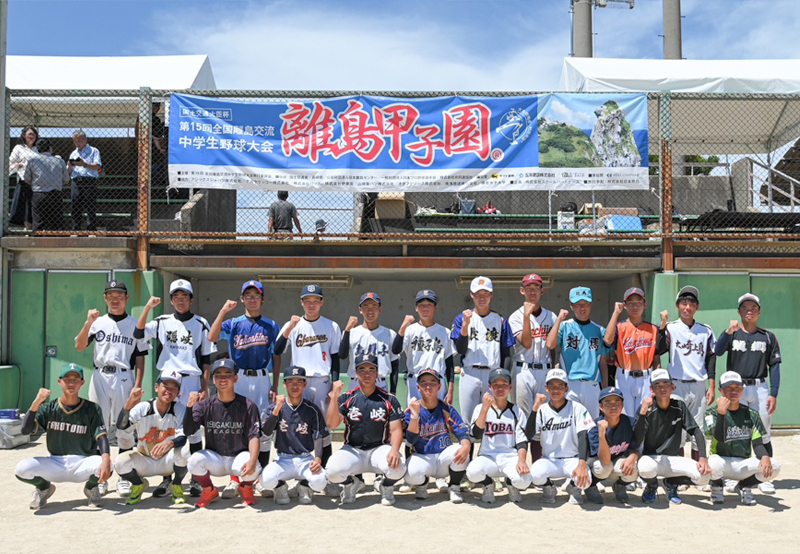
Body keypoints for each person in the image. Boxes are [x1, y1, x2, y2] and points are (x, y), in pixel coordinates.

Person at [134, 279, 217, 497]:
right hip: (168, 382)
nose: (180, 300)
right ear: (171, 300)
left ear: (191, 299)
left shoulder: (201, 323)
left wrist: (205, 386)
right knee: (166, 429)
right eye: (176, 297)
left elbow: (206, 357)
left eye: (185, 296)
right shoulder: (161, 321)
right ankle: (166, 479)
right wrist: (147, 308)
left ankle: (197, 479)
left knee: (194, 429)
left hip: (191, 380)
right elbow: (138, 333)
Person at [74, 279, 150, 496]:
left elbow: (141, 358)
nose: (115, 299)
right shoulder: (97, 323)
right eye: (111, 295)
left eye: (119, 296)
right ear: (105, 298)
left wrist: (137, 384)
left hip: (123, 376)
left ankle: (124, 477)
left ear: (127, 298)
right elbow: (79, 346)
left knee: (124, 427)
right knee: (98, 426)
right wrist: (88, 322)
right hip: (99, 375)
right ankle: (101, 477)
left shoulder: (136, 325)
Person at [208, 280, 281, 498]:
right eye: (247, 295)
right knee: (235, 426)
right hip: (238, 377)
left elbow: (277, 356)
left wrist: (276, 384)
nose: (252, 299)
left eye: (256, 295)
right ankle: (235, 479)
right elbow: (212, 337)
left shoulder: (271, 325)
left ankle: (258, 477)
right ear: (242, 299)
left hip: (261, 377)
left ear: (262, 299)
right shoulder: (234, 323)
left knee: (264, 427)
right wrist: (223, 311)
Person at [15, 364, 111, 510]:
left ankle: (91, 488)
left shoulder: (92, 408)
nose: (71, 383)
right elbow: (25, 430)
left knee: (109, 464)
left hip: (82, 463)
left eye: (76, 379)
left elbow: (102, 436)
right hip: (55, 462)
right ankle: (44, 488)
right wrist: (35, 403)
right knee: (21, 469)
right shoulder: (48, 408)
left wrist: (106, 458)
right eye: (67, 379)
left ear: (82, 383)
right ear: (60, 381)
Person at [714, 293, 781, 495]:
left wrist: (774, 393)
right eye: (744, 308)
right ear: (739, 312)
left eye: (753, 307)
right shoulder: (732, 333)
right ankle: (728, 475)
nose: (749, 311)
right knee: (733, 428)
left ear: (759, 311)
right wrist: (727, 331)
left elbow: (775, 366)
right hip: (736, 387)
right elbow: (717, 351)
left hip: (760, 386)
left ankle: (764, 475)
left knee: (763, 431)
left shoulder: (768, 336)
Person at [274, 284, 341, 484]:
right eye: (307, 301)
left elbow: (336, 357)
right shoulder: (293, 324)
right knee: (297, 425)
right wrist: (288, 329)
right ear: (301, 302)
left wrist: (334, 382)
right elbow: (277, 350)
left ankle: (325, 474)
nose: (311, 304)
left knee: (324, 429)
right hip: (298, 382)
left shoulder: (331, 326)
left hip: (322, 381)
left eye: (315, 300)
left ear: (322, 302)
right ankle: (299, 473)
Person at [325, 353, 405, 506]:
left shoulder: (389, 399)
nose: (367, 373)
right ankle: (351, 484)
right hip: (353, 450)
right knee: (332, 471)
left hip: (379, 449)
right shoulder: (347, 398)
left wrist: (394, 450)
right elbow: (332, 424)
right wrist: (335, 396)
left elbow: (396, 430)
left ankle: (386, 486)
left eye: (371, 369)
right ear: (356, 373)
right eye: (362, 369)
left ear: (377, 373)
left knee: (399, 466)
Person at [184, 359, 262, 508]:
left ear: (236, 378)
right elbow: (189, 430)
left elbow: (254, 436)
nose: (223, 378)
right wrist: (189, 408)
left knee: (254, 465)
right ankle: (209, 489)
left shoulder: (248, 405)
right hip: (216, 458)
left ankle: (246, 488)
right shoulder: (205, 405)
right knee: (193, 461)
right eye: (218, 375)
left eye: (228, 374)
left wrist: (252, 460)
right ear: (213, 379)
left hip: (238, 457)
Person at [655, 285, 716, 464]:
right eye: (683, 303)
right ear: (677, 306)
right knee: (678, 430)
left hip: (698, 384)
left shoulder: (706, 330)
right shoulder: (671, 328)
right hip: (676, 384)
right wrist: (662, 326)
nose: (687, 307)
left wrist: (711, 386)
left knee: (698, 429)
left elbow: (711, 359)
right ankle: (679, 473)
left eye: (691, 303)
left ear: (697, 307)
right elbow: (658, 349)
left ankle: (698, 470)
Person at [450, 276, 514, 443]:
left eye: (486, 293)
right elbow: (460, 349)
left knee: (492, 418)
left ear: (491, 295)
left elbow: (506, 352)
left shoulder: (500, 320)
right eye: (478, 294)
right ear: (472, 295)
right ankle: (467, 461)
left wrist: (505, 377)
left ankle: (488, 458)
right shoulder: (462, 318)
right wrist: (465, 325)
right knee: (467, 420)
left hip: (492, 374)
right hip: (469, 373)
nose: (482, 297)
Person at [634, 368, 711, 504]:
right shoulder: (647, 408)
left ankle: (670, 483)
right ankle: (652, 485)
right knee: (645, 468)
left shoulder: (679, 406)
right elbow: (637, 438)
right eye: (657, 385)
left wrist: (703, 458)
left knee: (704, 476)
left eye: (666, 384)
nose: (662, 388)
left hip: (673, 459)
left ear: (673, 387)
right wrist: (642, 413)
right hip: (652, 459)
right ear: (652, 389)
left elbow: (696, 432)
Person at [114, 370, 190, 505]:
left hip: (167, 461)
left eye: (174, 388)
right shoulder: (144, 407)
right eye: (165, 386)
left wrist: (170, 443)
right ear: (156, 387)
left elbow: (183, 437)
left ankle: (176, 485)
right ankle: (138, 484)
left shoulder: (179, 408)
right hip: (145, 460)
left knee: (185, 451)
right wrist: (129, 402)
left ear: (178, 392)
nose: (169, 391)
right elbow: (121, 426)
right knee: (120, 462)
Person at [705, 371, 780, 505]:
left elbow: (757, 444)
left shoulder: (752, 414)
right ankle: (717, 486)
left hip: (742, 464)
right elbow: (720, 438)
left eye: (737, 388)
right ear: (721, 390)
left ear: (742, 390)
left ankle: (744, 485)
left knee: (774, 466)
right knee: (713, 463)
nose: (733, 391)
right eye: (729, 388)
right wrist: (721, 413)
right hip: (722, 461)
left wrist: (764, 456)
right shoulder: (711, 413)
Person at [260, 366, 329, 505]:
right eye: (290, 381)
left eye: (299, 381)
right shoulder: (275, 407)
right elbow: (266, 432)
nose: (295, 385)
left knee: (321, 482)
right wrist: (276, 410)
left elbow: (318, 436)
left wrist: (317, 459)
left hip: (305, 459)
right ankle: (281, 488)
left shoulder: (312, 409)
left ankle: (303, 486)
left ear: (305, 384)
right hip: (282, 459)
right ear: (284, 384)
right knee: (265, 480)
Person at [526, 369, 595, 505]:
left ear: (567, 388)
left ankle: (573, 487)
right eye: (552, 386)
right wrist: (534, 408)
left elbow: (583, 436)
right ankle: (549, 487)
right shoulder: (541, 409)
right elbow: (529, 434)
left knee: (586, 481)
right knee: (533, 475)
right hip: (549, 460)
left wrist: (582, 464)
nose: (556, 390)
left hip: (572, 459)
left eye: (560, 386)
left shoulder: (577, 407)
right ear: (546, 388)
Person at [508, 273, 556, 465]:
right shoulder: (516, 316)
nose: (532, 291)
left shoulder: (550, 316)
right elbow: (527, 343)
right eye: (528, 288)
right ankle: (520, 464)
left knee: (542, 419)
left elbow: (552, 348)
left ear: (542, 291)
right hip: (522, 370)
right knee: (523, 419)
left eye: (536, 288)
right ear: (522, 291)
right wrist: (527, 316)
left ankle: (538, 466)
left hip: (544, 370)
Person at [403, 368, 471, 503]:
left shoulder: (446, 408)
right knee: (410, 475)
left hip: (443, 458)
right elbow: (410, 439)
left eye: (433, 382)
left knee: (462, 451)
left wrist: (466, 445)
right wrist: (415, 416)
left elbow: (461, 431)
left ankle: (454, 486)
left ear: (439, 386)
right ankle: (422, 484)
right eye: (423, 383)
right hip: (423, 457)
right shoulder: (411, 410)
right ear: (418, 387)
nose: (428, 386)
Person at [466, 368, 531, 503]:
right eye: (496, 385)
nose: (500, 388)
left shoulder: (516, 411)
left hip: (510, 458)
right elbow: (476, 435)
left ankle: (511, 483)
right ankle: (488, 484)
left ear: (510, 387)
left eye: (504, 385)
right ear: (489, 387)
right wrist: (485, 408)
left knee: (524, 481)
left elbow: (521, 441)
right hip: (487, 457)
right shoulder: (480, 408)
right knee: (472, 472)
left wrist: (522, 460)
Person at [545, 286, 611, 420]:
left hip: (592, 384)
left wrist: (605, 389)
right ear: (571, 306)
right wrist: (558, 320)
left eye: (586, 304)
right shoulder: (565, 326)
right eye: (578, 304)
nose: (582, 308)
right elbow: (550, 344)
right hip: (570, 384)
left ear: (591, 304)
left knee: (592, 426)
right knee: (569, 424)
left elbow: (603, 363)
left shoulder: (599, 330)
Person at [603, 287, 659, 418]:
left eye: (639, 302)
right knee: (624, 416)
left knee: (645, 415)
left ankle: (642, 440)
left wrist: (656, 381)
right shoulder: (619, 327)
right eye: (631, 303)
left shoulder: (653, 329)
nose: (635, 306)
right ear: (625, 305)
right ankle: (626, 439)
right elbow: (607, 340)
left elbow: (656, 359)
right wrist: (616, 313)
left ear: (644, 305)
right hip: (624, 376)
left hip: (646, 376)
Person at [394, 289, 456, 406]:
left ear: (436, 307)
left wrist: (451, 389)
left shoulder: (444, 332)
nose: (425, 308)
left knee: (438, 420)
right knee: (414, 419)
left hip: (437, 381)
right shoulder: (410, 330)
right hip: (415, 380)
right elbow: (396, 350)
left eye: (429, 305)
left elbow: (449, 363)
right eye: (421, 305)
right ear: (416, 308)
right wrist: (403, 327)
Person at [587, 386, 640, 503]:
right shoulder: (594, 427)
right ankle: (591, 486)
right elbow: (605, 461)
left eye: (617, 402)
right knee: (603, 468)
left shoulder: (630, 422)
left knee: (634, 468)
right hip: (596, 464)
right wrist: (602, 434)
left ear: (622, 405)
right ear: (601, 407)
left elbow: (635, 448)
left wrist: (633, 457)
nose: (613, 406)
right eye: (608, 402)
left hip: (615, 461)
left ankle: (619, 486)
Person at [340, 292, 399, 394]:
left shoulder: (390, 334)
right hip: (356, 382)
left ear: (379, 309)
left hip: (380, 383)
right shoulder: (351, 332)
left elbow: (395, 364)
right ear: (360, 310)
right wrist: (347, 330)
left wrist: (393, 391)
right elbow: (342, 355)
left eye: (374, 306)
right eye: (365, 306)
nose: (370, 310)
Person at [22, 138, 70, 232]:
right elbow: (66, 180)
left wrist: (37, 182)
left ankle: (38, 241)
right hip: (55, 194)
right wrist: (55, 183)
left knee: (38, 220)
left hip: (39, 194)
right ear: (50, 148)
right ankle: (57, 241)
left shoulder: (32, 161)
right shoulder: (59, 161)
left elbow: (26, 179)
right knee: (56, 222)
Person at [68, 130, 103, 232]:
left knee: (90, 206)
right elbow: (69, 170)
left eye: (79, 141)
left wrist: (84, 164)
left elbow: (97, 166)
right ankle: (76, 229)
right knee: (75, 206)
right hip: (76, 180)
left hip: (89, 180)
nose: (77, 143)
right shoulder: (73, 153)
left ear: (85, 140)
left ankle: (91, 229)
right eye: (75, 141)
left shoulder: (93, 151)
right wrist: (70, 166)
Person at [8, 125, 39, 229]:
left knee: (33, 208)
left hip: (37, 182)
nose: (32, 136)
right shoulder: (19, 148)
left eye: (34, 134)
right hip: (24, 181)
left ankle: (32, 229)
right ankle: (23, 229)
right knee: (23, 207)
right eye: (30, 134)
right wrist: (16, 165)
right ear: (24, 136)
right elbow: (9, 163)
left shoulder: (38, 149)